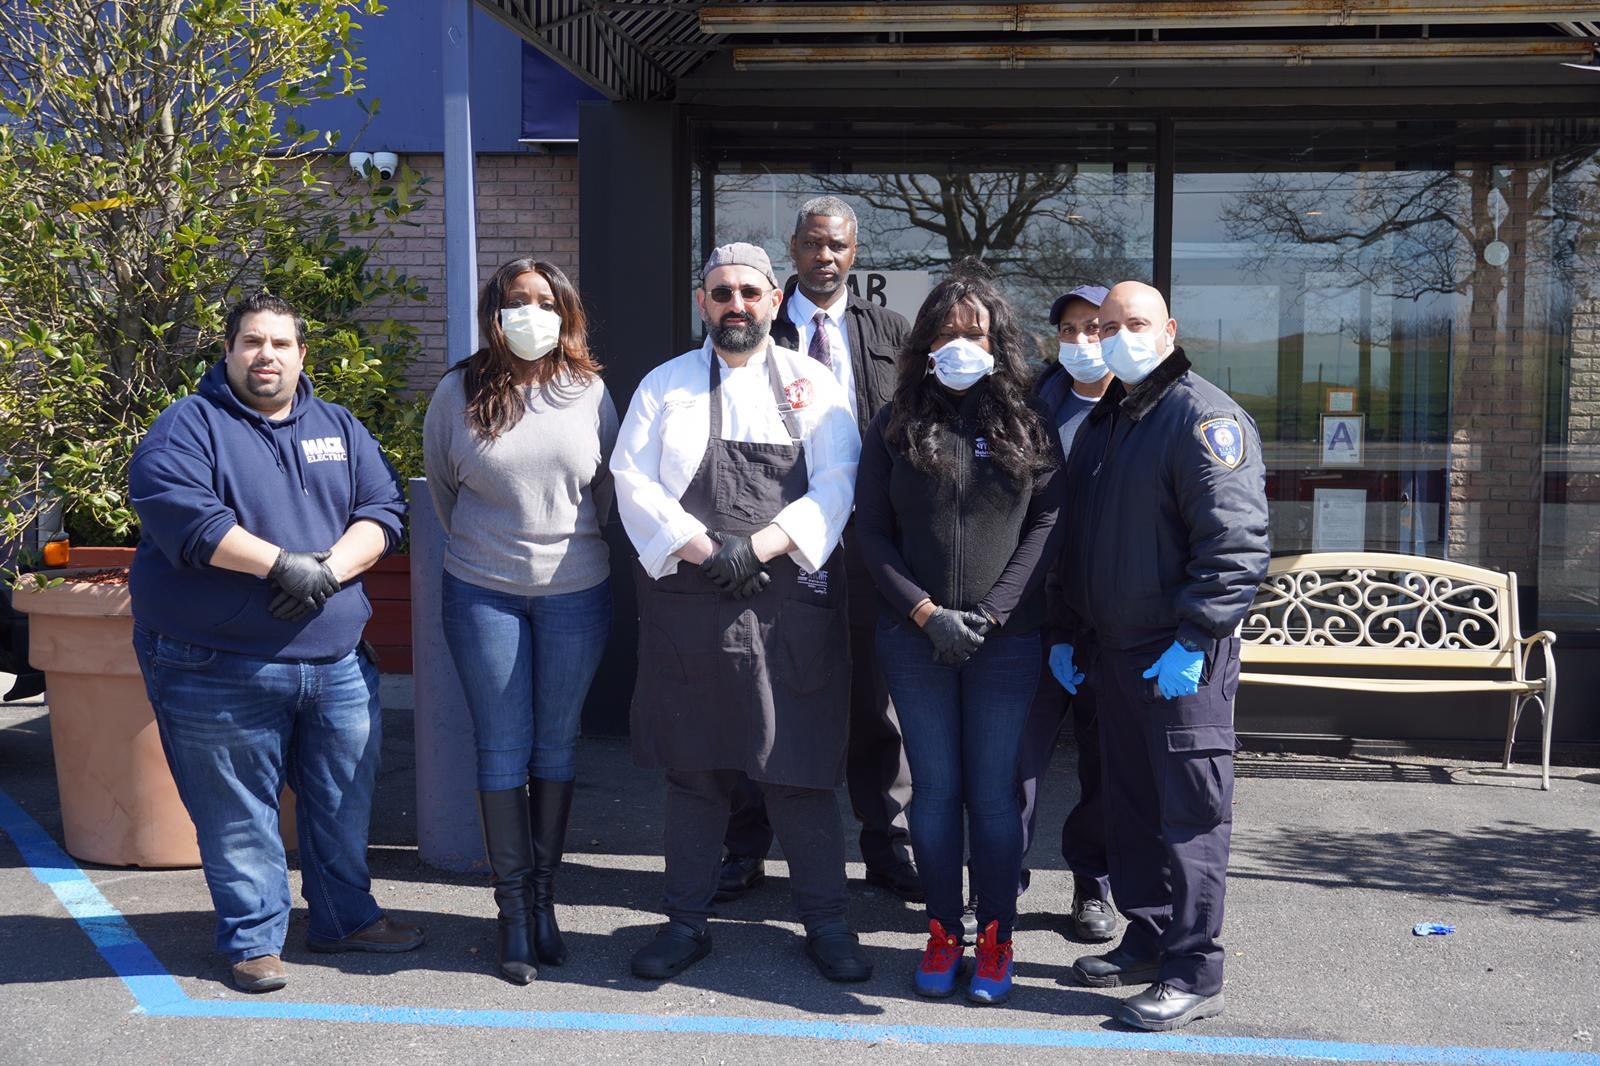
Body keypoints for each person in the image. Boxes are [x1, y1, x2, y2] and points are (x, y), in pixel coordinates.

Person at [128, 291, 421, 995]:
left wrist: (321, 573)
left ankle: (345, 918)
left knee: (342, 803)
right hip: (215, 666)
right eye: (253, 343)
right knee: (237, 816)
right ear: (227, 352)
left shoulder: (339, 426)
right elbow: (189, 519)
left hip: (336, 665)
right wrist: (278, 565)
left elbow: (382, 512)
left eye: (281, 344)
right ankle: (254, 942)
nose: (267, 356)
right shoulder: (187, 429)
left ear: (301, 355)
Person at [611, 242, 870, 984]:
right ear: (703, 303)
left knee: (798, 771)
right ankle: (686, 923)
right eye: (721, 292)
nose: (736, 305)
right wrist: (705, 549)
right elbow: (631, 479)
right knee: (695, 773)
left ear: (771, 299)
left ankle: (826, 924)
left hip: (787, 602)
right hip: (690, 606)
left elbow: (839, 480)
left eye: (750, 293)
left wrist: (755, 548)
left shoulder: (812, 383)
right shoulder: (666, 386)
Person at [1052, 280, 1269, 1032]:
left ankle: (1193, 968)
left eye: (1132, 323)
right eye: (1106, 326)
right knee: (1132, 808)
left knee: (1190, 816)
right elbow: (1086, 542)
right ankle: (1148, 934)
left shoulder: (1201, 417)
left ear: (1168, 328)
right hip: (1114, 653)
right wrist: (1070, 632)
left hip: (1180, 656)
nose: (1115, 336)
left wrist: (1194, 637)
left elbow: (1235, 546)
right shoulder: (1117, 418)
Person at [856, 263, 1065, 1005]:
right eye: (945, 330)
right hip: (914, 641)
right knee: (936, 792)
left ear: (997, 339)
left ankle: (996, 936)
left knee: (995, 794)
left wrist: (992, 613)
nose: (959, 343)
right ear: (925, 340)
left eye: (973, 331)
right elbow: (871, 536)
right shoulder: (895, 422)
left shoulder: (1029, 421)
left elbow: (1047, 523)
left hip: (1004, 642)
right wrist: (925, 614)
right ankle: (944, 932)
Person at [717, 195, 921, 906]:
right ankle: (745, 846)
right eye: (811, 244)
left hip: (867, 546)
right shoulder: (752, 330)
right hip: (777, 542)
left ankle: (887, 846)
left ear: (854, 254)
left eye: (837, 246)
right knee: (763, 693)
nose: (825, 257)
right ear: (792, 251)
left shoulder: (890, 330)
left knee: (875, 700)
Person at [423, 259, 617, 985]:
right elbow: (445, 491)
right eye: (515, 302)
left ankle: (545, 904)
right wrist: (497, 553)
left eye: (543, 300)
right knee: (502, 747)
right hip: (482, 592)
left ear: (565, 311)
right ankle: (512, 914)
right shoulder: (457, 390)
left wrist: (559, 556)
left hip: (576, 590)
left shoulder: (590, 391)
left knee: (557, 747)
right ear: (494, 314)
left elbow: (605, 493)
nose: (529, 312)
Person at [1012, 284, 1117, 943]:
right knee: (1014, 763)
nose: (1081, 341)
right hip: (1034, 613)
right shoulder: (1030, 407)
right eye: (1070, 329)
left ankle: (1093, 888)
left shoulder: (1144, 411)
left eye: (1096, 328)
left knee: (1103, 765)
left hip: (1109, 620)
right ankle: (997, 886)